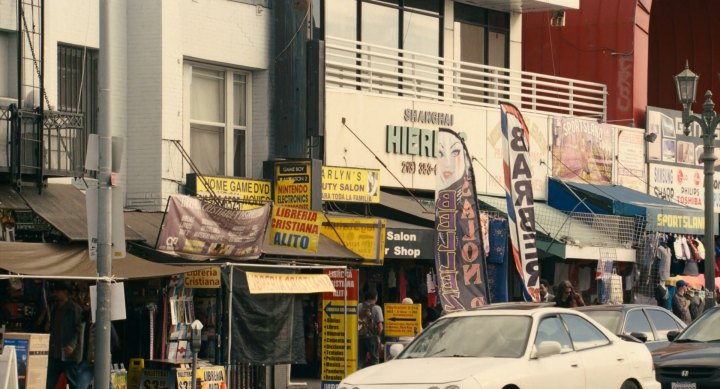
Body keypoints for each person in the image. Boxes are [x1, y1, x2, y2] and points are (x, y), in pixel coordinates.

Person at [46, 281, 84, 389]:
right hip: (55, 352)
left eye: (58, 291)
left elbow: (79, 329)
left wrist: (72, 345)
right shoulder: (55, 308)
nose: (56, 294)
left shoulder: (74, 309)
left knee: (73, 382)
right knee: (49, 382)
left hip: (68, 354)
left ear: (65, 292)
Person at [357, 290, 383, 368]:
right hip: (372, 337)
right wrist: (378, 336)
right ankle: (374, 377)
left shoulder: (359, 306)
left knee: (360, 359)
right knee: (374, 359)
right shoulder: (377, 308)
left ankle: (357, 376)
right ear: (376, 297)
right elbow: (380, 325)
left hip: (360, 336)